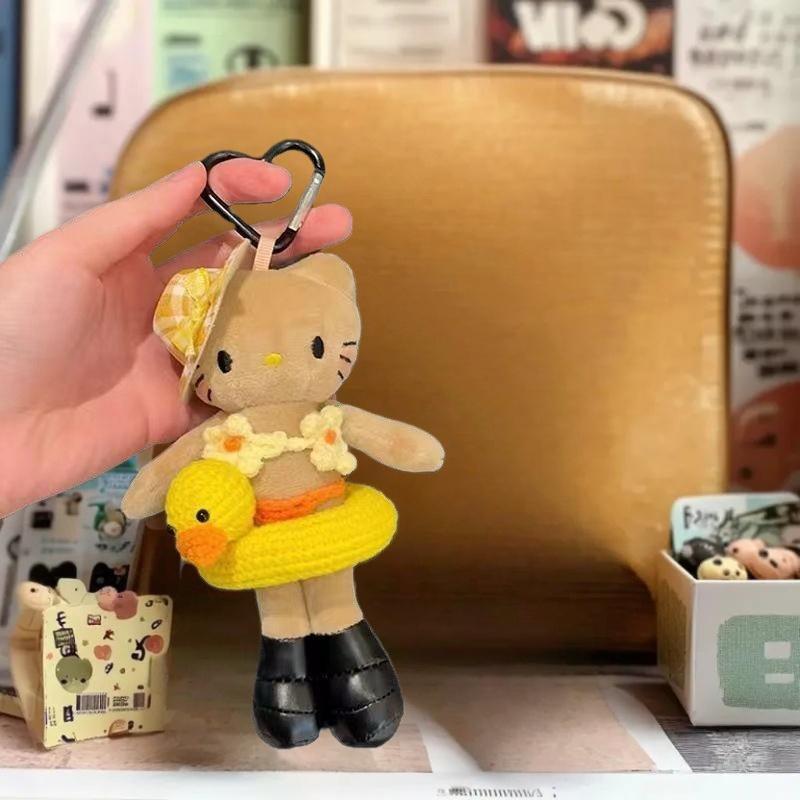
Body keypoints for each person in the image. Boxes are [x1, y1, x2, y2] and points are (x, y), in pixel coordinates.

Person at [0, 159, 352, 518]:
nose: (273, 360)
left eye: (316, 348)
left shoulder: (322, 415)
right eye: (224, 361)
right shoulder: (225, 429)